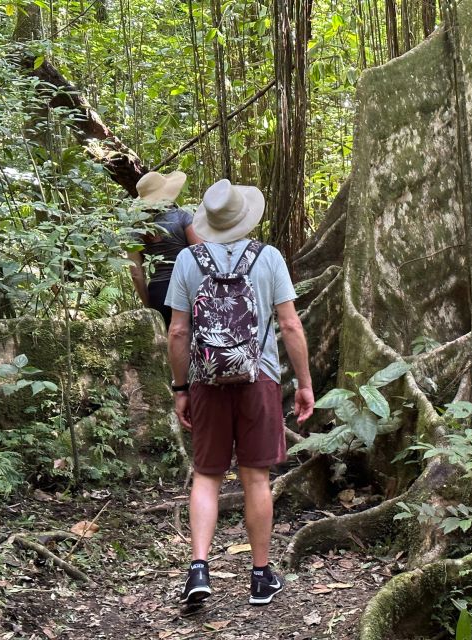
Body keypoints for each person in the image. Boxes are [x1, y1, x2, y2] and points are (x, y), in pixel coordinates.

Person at [165, 178, 314, 607]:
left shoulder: (187, 261)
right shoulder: (268, 257)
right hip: (259, 378)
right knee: (256, 478)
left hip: (206, 381)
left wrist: (181, 387)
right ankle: (261, 577)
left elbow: (178, 331)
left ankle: (198, 569)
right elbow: (289, 324)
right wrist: (304, 384)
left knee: (207, 477)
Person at [128, 170, 201, 327]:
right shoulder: (182, 217)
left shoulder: (136, 229)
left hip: (158, 293)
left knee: (170, 344)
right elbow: (200, 254)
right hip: (187, 288)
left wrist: (150, 305)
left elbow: (136, 274)